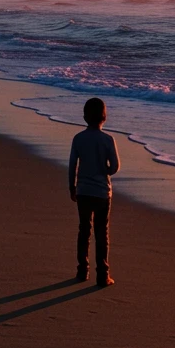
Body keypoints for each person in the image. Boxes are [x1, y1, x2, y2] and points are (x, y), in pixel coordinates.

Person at [67, 97, 120, 286]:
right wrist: (104, 170)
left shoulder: (78, 138)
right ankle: (103, 274)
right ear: (104, 117)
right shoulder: (107, 139)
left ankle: (82, 271)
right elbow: (114, 166)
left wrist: (72, 186)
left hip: (83, 190)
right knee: (101, 232)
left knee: (84, 230)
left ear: (84, 116)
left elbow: (73, 165)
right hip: (102, 192)